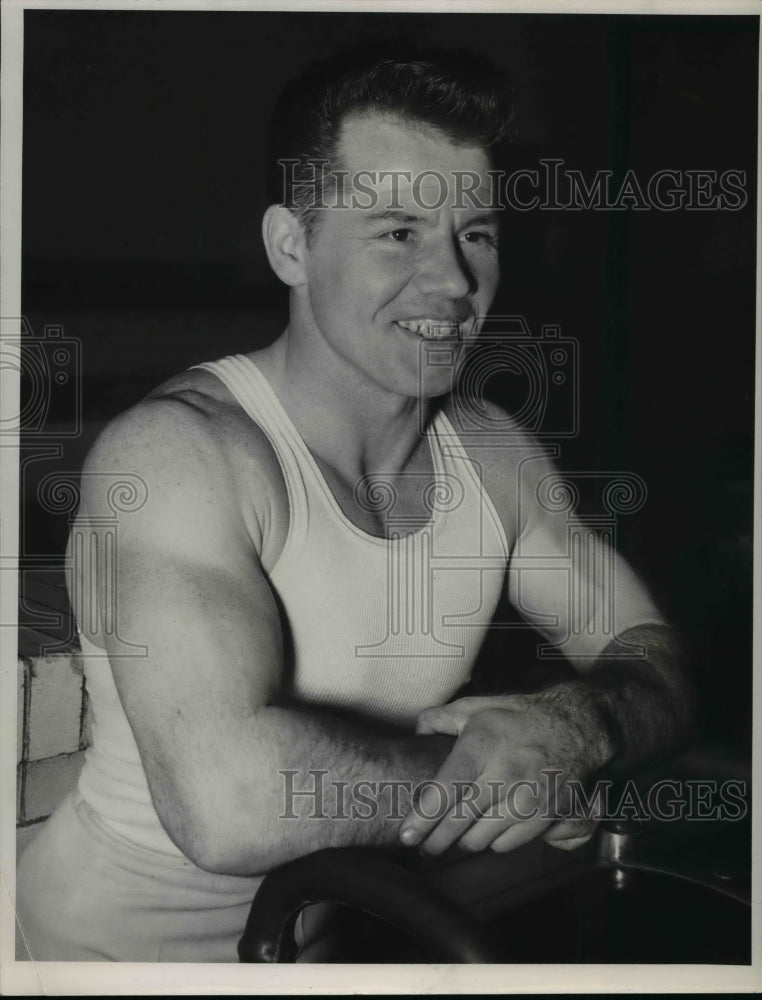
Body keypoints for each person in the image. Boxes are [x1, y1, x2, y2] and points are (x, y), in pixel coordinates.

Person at [16, 43, 692, 962]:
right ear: (292, 246)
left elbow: (650, 656)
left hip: (320, 936)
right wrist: (528, 777)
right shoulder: (183, 452)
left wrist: (582, 725)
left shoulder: (495, 454)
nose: (454, 281)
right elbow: (229, 805)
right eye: (398, 232)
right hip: (104, 960)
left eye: (477, 233)